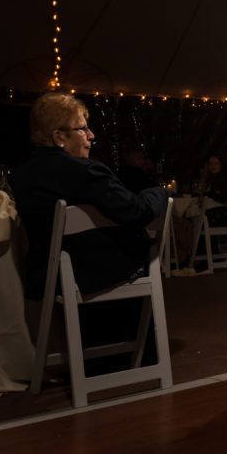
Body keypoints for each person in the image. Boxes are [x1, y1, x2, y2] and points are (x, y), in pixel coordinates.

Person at [11, 93, 167, 362]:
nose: (92, 135)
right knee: (147, 250)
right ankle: (138, 354)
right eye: (83, 128)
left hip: (47, 276)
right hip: (97, 274)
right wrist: (158, 193)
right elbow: (136, 212)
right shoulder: (86, 172)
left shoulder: (21, 175)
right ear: (59, 137)